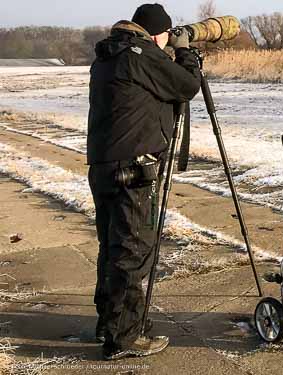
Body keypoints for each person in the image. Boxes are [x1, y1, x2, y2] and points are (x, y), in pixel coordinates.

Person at [87, 3, 201, 361]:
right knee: (133, 251)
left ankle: (113, 322)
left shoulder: (109, 54)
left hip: (104, 165)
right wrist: (184, 53)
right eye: (166, 36)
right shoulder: (141, 54)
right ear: (156, 34)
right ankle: (123, 338)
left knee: (112, 247)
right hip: (134, 169)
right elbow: (186, 86)